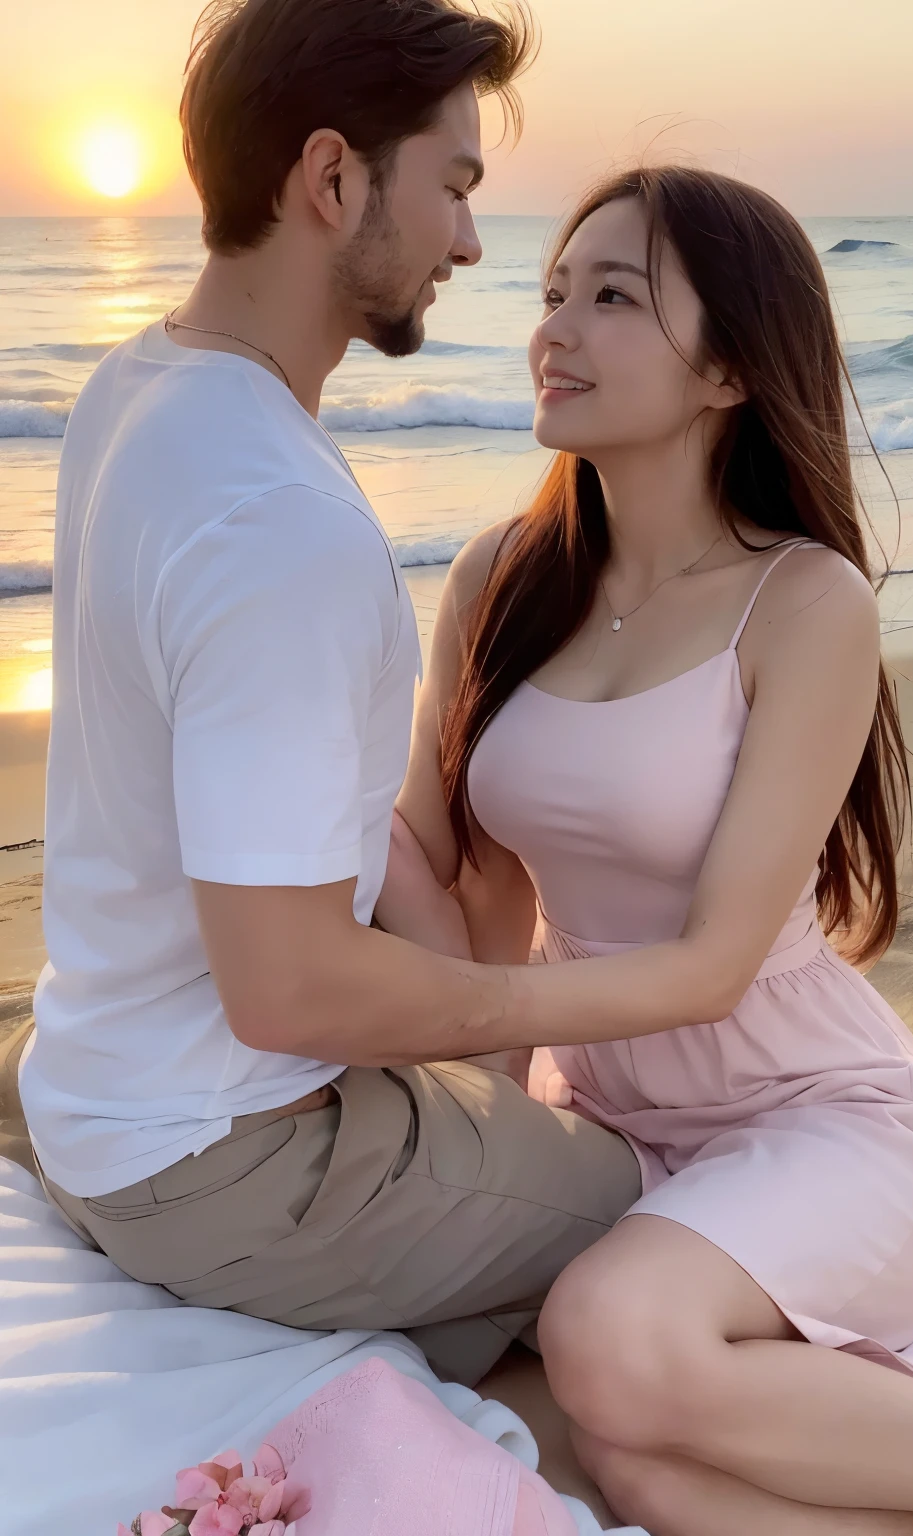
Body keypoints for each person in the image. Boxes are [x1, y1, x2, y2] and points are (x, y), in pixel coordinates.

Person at [15, 0, 693, 1391]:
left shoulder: (134, 388)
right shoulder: (279, 518)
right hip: (215, 1162)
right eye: (452, 186)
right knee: (667, 1227)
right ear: (331, 180)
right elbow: (289, 987)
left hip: (92, 1087)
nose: (469, 243)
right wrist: (593, 1006)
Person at [381, 165, 913, 1532]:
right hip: (608, 1128)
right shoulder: (500, 574)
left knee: (610, 1344)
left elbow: (716, 964)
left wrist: (473, 1007)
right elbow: (427, 861)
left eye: (612, 297)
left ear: (731, 364)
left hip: (824, 1124)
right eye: (552, 291)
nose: (554, 327)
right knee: (625, 1457)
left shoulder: (806, 602)